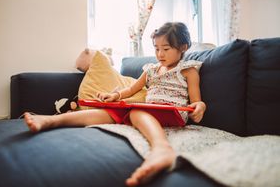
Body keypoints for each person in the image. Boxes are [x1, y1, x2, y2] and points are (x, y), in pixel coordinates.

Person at [24, 22, 206, 187]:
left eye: (165, 49)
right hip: (150, 109)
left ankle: (162, 149)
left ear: (183, 47)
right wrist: (115, 95)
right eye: (156, 48)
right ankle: (53, 120)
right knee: (110, 111)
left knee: (136, 111)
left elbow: (196, 100)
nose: (159, 54)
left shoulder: (188, 70)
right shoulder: (151, 69)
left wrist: (200, 107)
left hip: (172, 112)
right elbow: (132, 88)